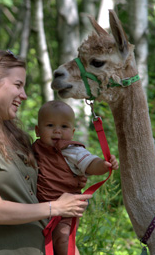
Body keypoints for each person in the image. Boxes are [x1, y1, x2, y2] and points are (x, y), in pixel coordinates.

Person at [0, 49, 92, 255]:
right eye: (18, 85)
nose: (24, 96)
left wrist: (68, 184)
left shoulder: (17, 138)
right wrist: (57, 207)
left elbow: (40, 200)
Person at [33, 100, 119, 255]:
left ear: (72, 132)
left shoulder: (72, 151)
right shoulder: (34, 149)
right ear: (38, 130)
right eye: (50, 126)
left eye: (64, 127)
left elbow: (89, 163)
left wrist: (103, 164)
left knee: (63, 239)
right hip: (39, 209)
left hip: (65, 211)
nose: (57, 131)